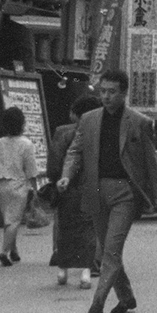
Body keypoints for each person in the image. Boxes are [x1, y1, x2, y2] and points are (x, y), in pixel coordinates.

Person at [58, 70, 157, 313]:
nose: (106, 96)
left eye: (112, 92)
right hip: (95, 190)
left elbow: (150, 162)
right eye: (103, 91)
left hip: (124, 193)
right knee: (107, 250)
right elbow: (75, 150)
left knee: (111, 250)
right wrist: (66, 175)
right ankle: (126, 297)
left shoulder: (139, 122)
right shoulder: (88, 119)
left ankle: (97, 303)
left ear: (124, 92)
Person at [47, 94, 102, 288]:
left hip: (67, 188)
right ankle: (87, 271)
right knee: (89, 229)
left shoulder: (62, 133)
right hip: (92, 186)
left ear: (75, 115)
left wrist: (57, 180)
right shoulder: (99, 133)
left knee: (65, 228)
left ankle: (63, 269)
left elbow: (54, 163)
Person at [0, 106, 39, 267]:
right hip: (19, 184)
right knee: (14, 220)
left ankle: (14, 251)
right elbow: (31, 169)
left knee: (8, 219)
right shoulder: (26, 144)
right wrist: (35, 188)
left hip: (0, 184)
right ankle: (4, 252)